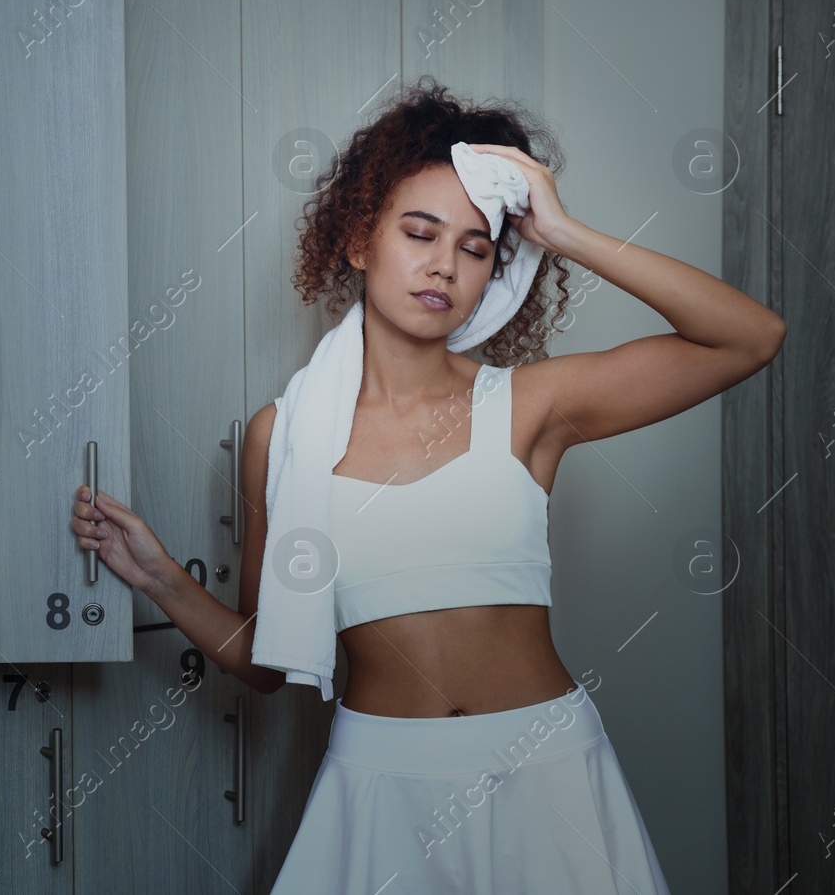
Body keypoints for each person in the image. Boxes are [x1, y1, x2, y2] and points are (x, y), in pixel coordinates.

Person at [68, 80, 785, 892]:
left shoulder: (529, 407)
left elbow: (750, 337)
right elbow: (269, 659)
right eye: (419, 232)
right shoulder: (284, 438)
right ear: (358, 240)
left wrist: (564, 231)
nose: (444, 263)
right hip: (380, 787)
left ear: (497, 272)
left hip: (547, 776)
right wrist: (159, 576)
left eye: (477, 247)